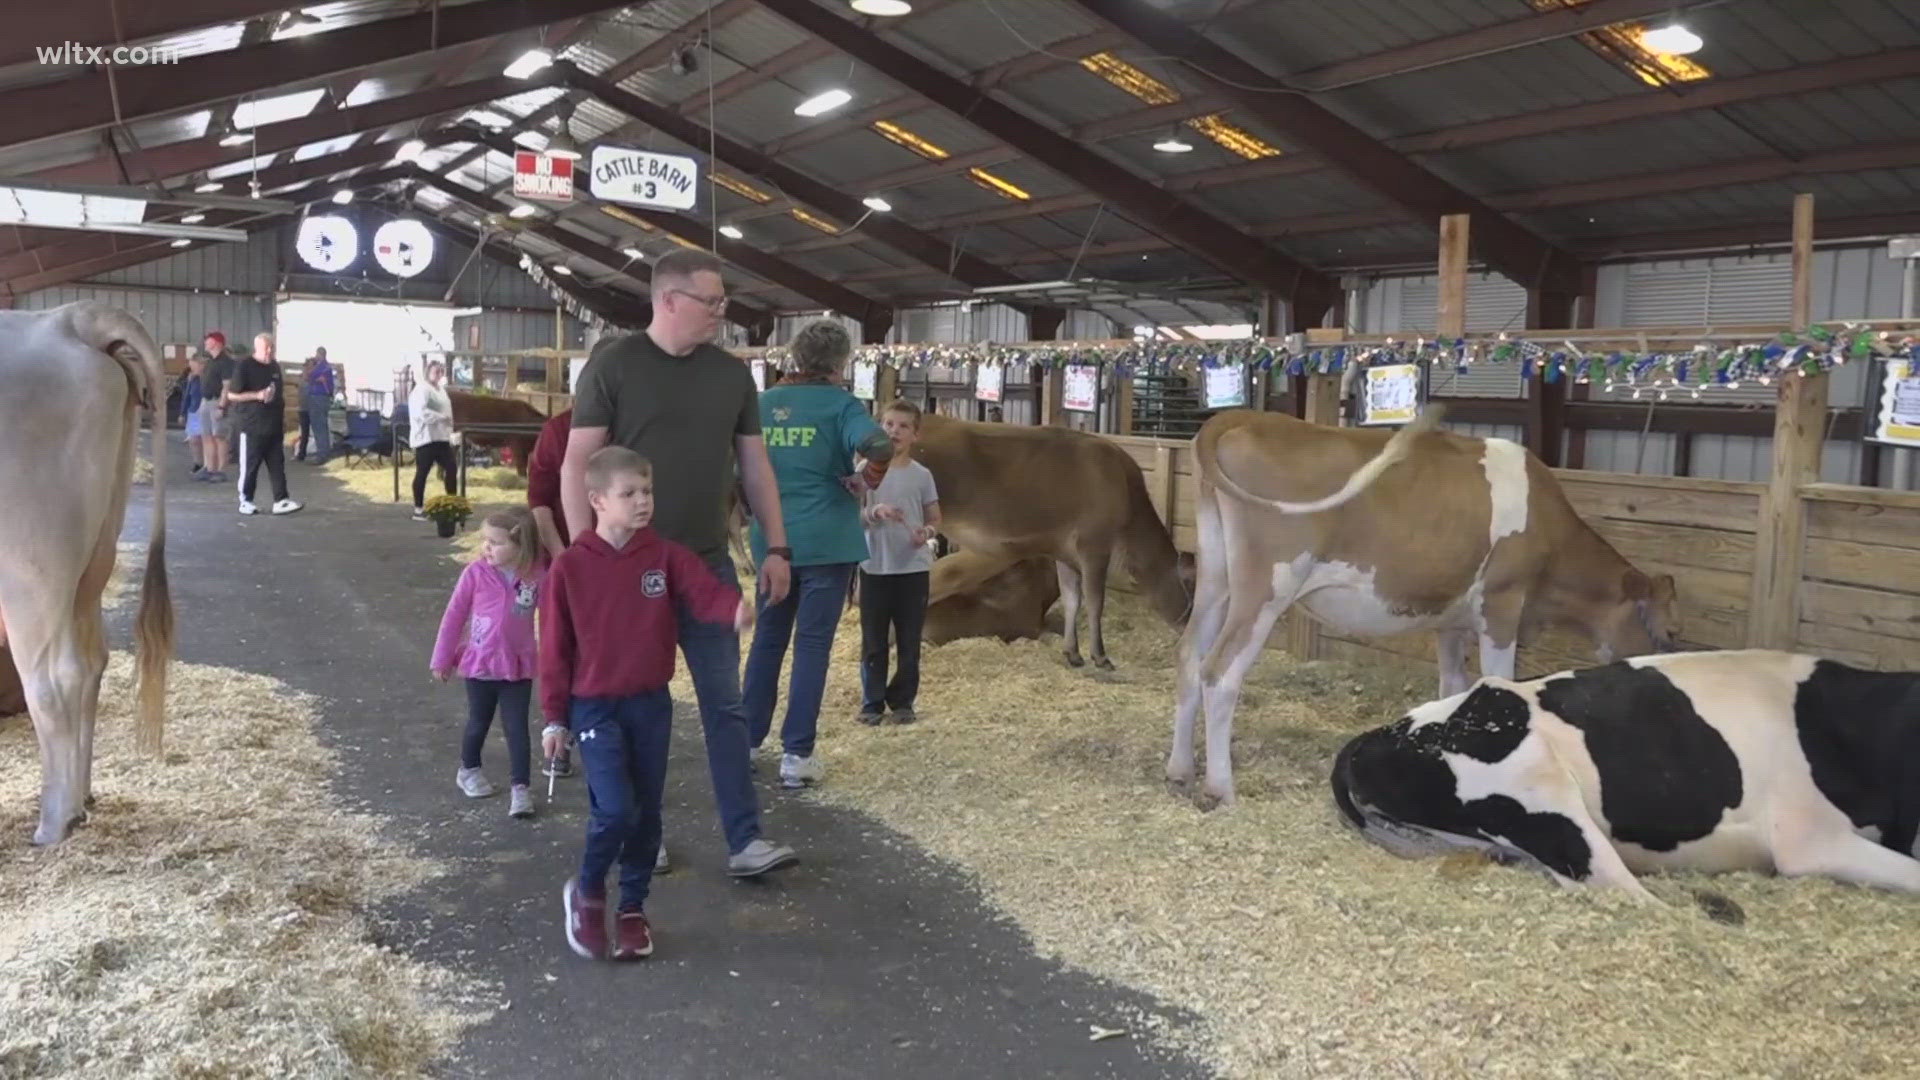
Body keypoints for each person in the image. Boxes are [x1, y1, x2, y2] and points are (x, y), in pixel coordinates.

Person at [560, 249, 799, 879]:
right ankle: (641, 834)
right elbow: (575, 464)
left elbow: (755, 467)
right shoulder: (613, 367)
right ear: (668, 300)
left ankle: (745, 840)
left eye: (722, 303)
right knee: (633, 706)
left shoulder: (732, 377)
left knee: (726, 705)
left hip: (704, 564)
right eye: (711, 302)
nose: (722, 314)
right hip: (625, 572)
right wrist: (588, 557)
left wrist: (777, 546)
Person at [541, 446, 753, 960]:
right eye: (629, 493)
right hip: (594, 706)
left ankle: (632, 907)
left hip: (650, 705)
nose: (642, 502)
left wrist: (734, 608)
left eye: (648, 491)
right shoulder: (570, 568)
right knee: (614, 808)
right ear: (596, 500)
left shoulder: (665, 556)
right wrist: (554, 719)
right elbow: (554, 648)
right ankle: (589, 890)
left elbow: (704, 592)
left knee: (645, 814)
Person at [741, 320, 894, 789]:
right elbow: (880, 444)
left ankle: (744, 743)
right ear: (841, 361)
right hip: (828, 539)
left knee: (767, 641)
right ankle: (796, 755)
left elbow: (738, 471)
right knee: (811, 647)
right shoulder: (841, 405)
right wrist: (866, 479)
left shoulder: (762, 404)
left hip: (774, 540)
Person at [432, 508, 546, 819]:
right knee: (478, 721)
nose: (486, 548)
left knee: (517, 727)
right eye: (485, 541)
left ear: (520, 546)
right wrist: (442, 658)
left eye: (495, 543)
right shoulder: (474, 573)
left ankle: (520, 789)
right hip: (480, 663)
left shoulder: (536, 576)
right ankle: (468, 769)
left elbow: (553, 615)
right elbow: (454, 616)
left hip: (517, 665)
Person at [857, 399, 942, 726]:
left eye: (903, 426)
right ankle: (872, 703)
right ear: (880, 427)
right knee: (874, 640)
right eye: (889, 424)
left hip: (913, 569)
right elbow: (853, 518)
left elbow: (935, 515)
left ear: (915, 436)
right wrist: (873, 513)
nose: (895, 431)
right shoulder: (863, 472)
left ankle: (903, 701)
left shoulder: (922, 476)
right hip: (875, 566)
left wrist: (929, 530)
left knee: (909, 640)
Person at [524, 404, 578, 782]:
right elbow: (539, 501)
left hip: (621, 564)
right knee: (559, 648)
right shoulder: (558, 430)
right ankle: (557, 733)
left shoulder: (636, 424)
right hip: (565, 558)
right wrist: (562, 559)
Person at [224, 332, 301, 516]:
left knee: (277, 465)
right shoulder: (245, 366)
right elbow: (232, 395)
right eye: (265, 348)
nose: (269, 351)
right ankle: (246, 500)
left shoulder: (274, 366)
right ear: (256, 348)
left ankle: (281, 500)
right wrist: (257, 395)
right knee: (250, 466)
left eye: (271, 347)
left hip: (273, 426)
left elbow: (278, 393)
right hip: (252, 426)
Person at [409, 358, 457, 521]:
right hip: (426, 438)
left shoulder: (441, 390)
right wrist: (441, 417)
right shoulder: (421, 389)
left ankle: (452, 504)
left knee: (451, 468)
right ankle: (418, 508)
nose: (439, 374)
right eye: (436, 371)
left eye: (441, 371)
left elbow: (446, 410)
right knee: (422, 472)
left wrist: (449, 427)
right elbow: (422, 412)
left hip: (441, 437)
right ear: (428, 372)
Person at [196, 331, 233, 483]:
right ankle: (209, 467)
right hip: (206, 401)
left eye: (208, 341)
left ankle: (221, 470)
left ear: (217, 343)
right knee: (206, 436)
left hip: (217, 401)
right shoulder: (211, 361)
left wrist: (222, 406)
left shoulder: (226, 362)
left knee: (220, 437)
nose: (205, 343)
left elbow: (227, 386)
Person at [297, 346, 336, 464]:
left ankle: (322, 455)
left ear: (320, 354)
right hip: (323, 399)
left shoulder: (322, 367)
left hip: (318, 398)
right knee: (322, 426)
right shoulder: (327, 367)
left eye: (317, 354)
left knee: (319, 427)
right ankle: (325, 452)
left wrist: (311, 365)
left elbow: (308, 376)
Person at [182, 354, 206, 475]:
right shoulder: (191, 378)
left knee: (204, 438)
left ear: (201, 365)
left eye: (194, 366)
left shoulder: (206, 377)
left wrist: (200, 376)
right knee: (193, 439)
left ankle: (207, 463)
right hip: (193, 411)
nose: (192, 369)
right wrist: (182, 412)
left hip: (204, 410)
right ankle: (198, 462)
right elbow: (187, 396)